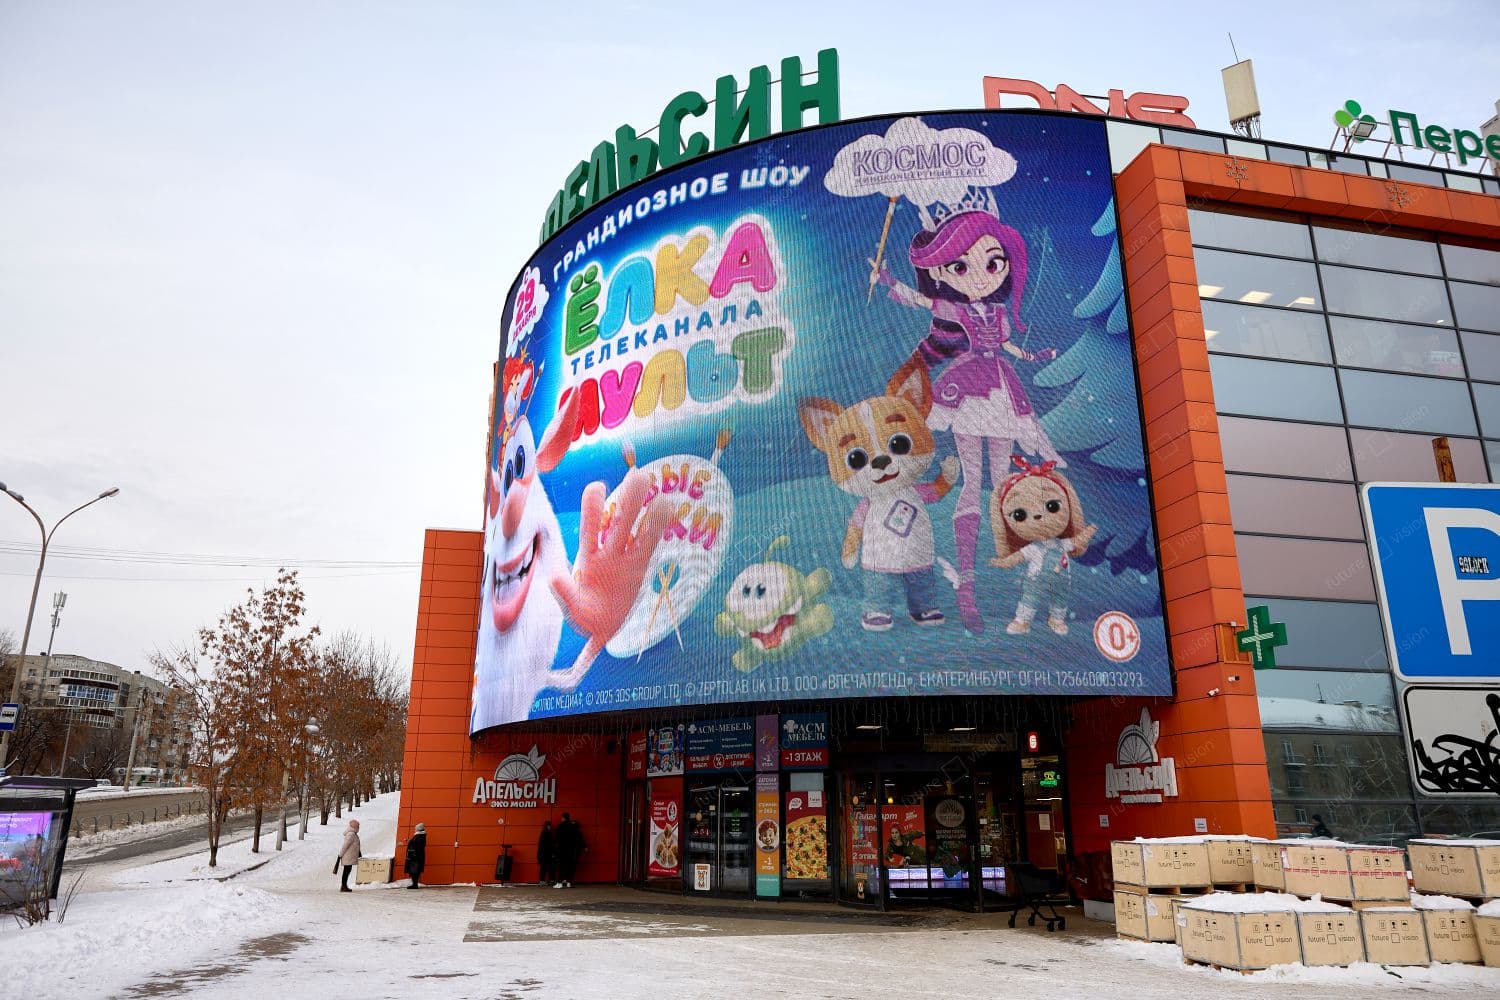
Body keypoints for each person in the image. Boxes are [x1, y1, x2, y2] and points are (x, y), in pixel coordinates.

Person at [873, 197, 1062, 634]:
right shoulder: (953, 309)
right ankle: (967, 584)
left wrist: (1033, 355)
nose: (980, 275)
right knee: (972, 483)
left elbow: (1009, 347)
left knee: (1002, 481)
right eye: (960, 266)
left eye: (994, 263)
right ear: (941, 271)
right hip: (969, 389)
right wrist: (887, 279)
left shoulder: (998, 312)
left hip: (1001, 388)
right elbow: (921, 300)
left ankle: (1023, 570)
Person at [554, 812, 585, 888]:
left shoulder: (560, 826)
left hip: (562, 849)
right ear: (569, 818)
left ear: (563, 818)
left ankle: (559, 883)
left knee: (561, 866)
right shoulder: (573, 827)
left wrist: (556, 848)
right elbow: (577, 838)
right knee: (569, 866)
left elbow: (557, 839)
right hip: (571, 850)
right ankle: (569, 882)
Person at [335, 818, 362, 892]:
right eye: (358, 827)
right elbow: (345, 846)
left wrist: (359, 853)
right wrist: (340, 855)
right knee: (346, 871)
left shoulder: (353, 834)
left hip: (349, 857)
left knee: (347, 870)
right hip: (348, 857)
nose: (359, 828)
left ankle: (344, 886)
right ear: (355, 827)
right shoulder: (351, 834)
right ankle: (343, 886)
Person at [403, 822, 427, 889]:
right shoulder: (419, 835)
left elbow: (417, 845)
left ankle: (415, 885)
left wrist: (410, 842)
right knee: (414, 870)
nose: (415, 829)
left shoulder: (420, 836)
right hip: (415, 856)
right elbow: (416, 843)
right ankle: (414, 884)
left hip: (415, 856)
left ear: (418, 829)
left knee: (414, 870)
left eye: (416, 828)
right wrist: (410, 841)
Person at [537, 819, 557, 886]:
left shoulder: (543, 833)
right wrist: (553, 853)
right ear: (547, 826)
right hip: (548, 854)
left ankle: (542, 881)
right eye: (549, 826)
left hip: (543, 854)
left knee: (543, 868)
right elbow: (550, 845)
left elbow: (541, 845)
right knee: (551, 868)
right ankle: (551, 880)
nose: (550, 827)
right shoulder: (548, 833)